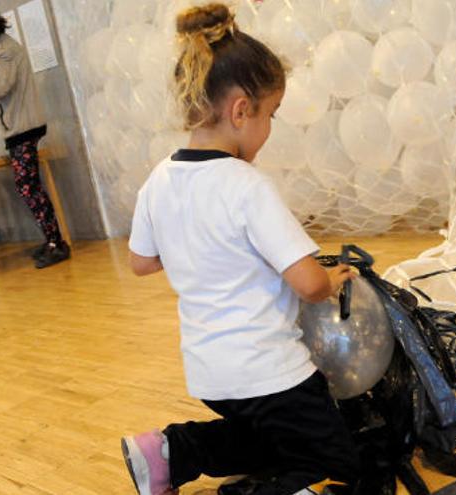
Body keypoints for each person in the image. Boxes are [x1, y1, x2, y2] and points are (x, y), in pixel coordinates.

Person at [121, 3, 361, 494]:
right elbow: (310, 284)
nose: (270, 128)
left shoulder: (159, 180)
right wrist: (334, 278)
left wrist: (193, 239)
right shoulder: (246, 186)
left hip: (212, 378)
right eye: (271, 114)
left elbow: (140, 262)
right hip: (273, 375)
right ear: (240, 111)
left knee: (263, 439)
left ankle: (171, 452)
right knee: (342, 460)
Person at [0, 1, 69, 269]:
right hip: (21, 128)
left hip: (23, 129)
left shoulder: (5, 51)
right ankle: (52, 240)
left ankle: (57, 243)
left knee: (28, 186)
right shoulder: (2, 49)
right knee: (28, 185)